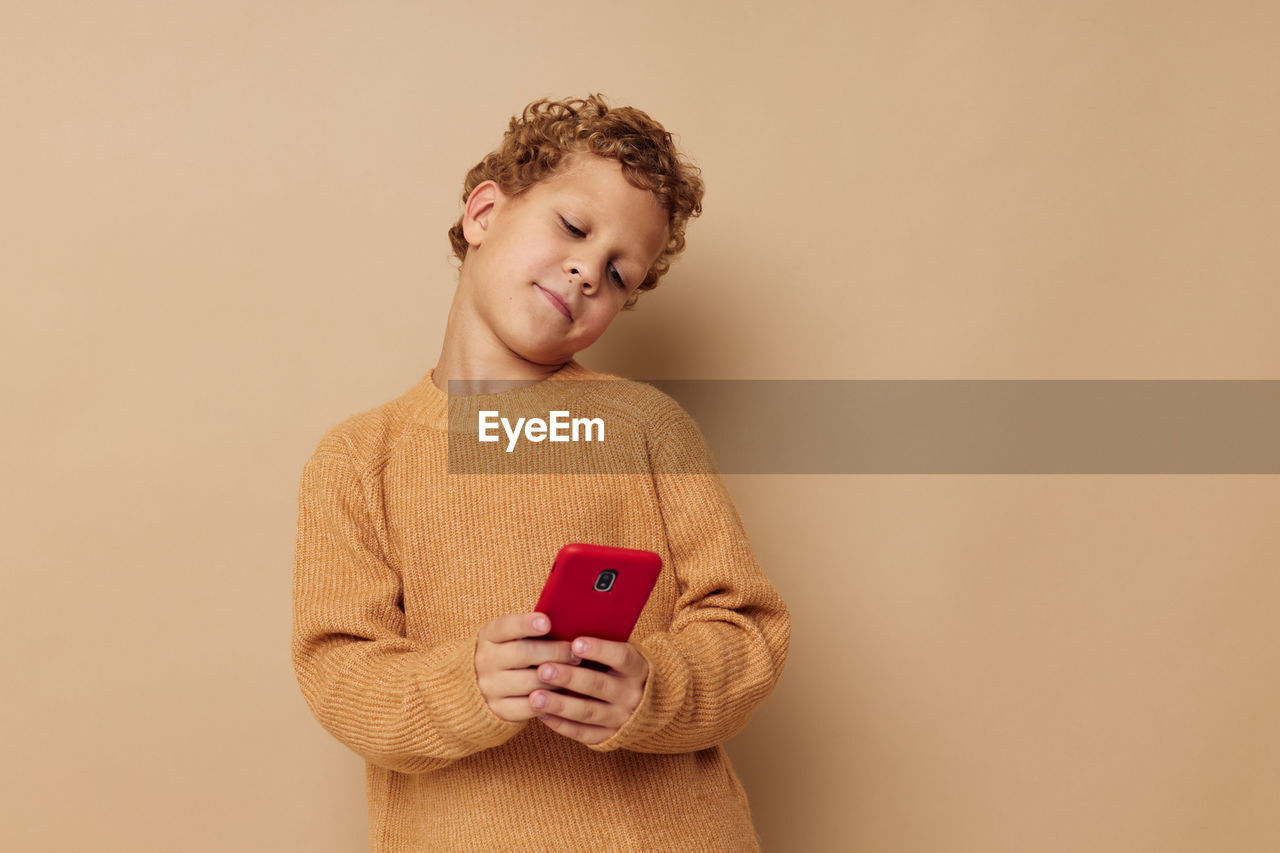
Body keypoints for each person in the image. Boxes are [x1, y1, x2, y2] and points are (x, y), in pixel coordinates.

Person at [292, 94, 790, 851]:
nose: (590, 271)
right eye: (574, 227)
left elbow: (745, 627)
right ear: (484, 213)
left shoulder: (646, 428)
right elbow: (340, 671)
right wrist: (469, 685)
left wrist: (651, 687)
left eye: (620, 273)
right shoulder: (360, 457)